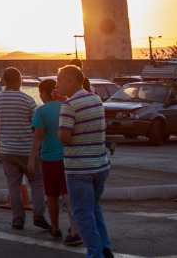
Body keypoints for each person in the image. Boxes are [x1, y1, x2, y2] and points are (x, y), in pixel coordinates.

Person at [57, 64, 113, 258]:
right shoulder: (96, 100)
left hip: (80, 168)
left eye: (60, 80)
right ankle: (105, 247)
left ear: (70, 81)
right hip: (100, 165)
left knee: (81, 213)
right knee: (94, 207)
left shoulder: (69, 106)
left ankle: (95, 253)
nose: (58, 84)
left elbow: (64, 137)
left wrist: (60, 129)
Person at [0, 67, 47, 231]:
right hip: (27, 150)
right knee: (36, 182)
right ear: (19, 80)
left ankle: (17, 220)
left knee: (13, 185)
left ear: (4, 81)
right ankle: (38, 215)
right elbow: (36, 128)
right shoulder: (28, 100)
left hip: (7, 149)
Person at [29, 78, 75, 242]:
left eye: (40, 93)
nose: (40, 96)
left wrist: (31, 160)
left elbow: (38, 137)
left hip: (49, 158)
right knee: (69, 194)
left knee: (52, 195)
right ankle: (74, 228)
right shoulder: (68, 106)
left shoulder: (41, 111)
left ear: (44, 93)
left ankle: (55, 229)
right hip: (69, 156)